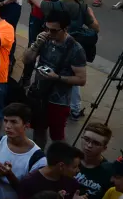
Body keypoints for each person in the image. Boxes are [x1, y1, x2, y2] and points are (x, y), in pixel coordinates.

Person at [23, 8, 87, 146]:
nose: (49, 33)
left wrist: (57, 77)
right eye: (46, 28)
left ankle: (62, 158)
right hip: (39, 95)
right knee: (38, 130)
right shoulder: (44, 39)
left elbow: (81, 80)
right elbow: (26, 60)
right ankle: (39, 156)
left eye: (53, 30)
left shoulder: (76, 49)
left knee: (57, 137)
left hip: (58, 101)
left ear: (65, 29)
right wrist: (36, 45)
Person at [0, 103, 47, 199]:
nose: (7, 126)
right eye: (5, 121)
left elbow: (29, 194)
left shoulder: (38, 158)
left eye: (14, 122)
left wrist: (9, 175)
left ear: (26, 125)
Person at [16, 142, 82, 199]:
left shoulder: (72, 183)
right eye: (74, 167)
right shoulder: (29, 184)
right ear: (61, 166)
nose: (78, 170)